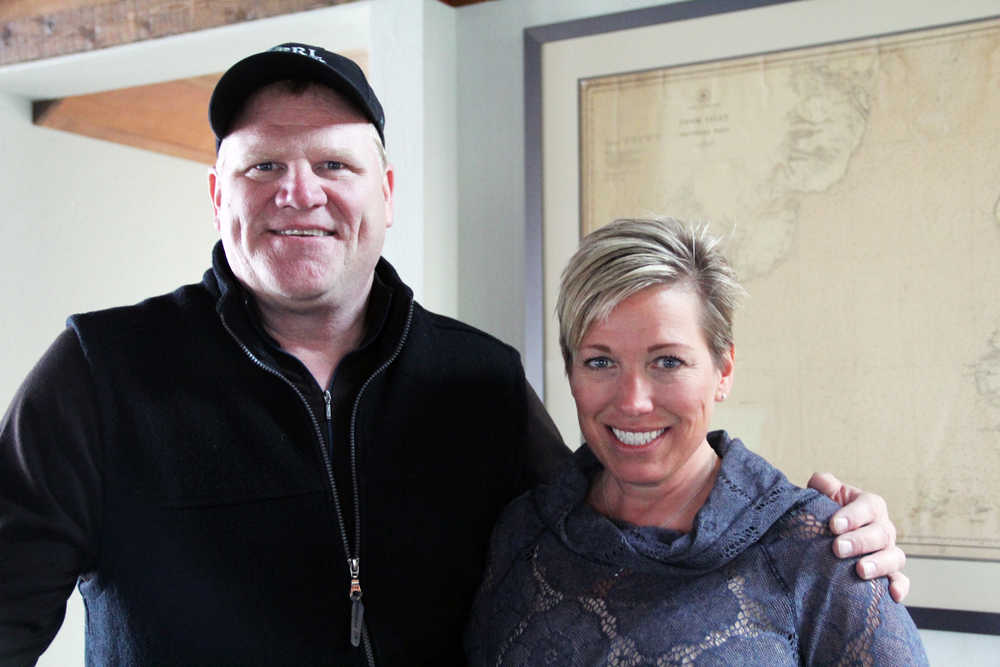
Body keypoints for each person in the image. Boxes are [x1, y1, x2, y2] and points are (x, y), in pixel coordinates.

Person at [0, 46, 904, 666]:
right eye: (263, 167)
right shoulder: (100, 372)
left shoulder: (475, 378)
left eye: (335, 165)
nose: (299, 194)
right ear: (217, 195)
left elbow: (605, 537)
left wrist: (830, 541)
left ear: (385, 192)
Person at [465, 218, 927, 665]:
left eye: (667, 362)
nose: (633, 401)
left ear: (723, 371)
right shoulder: (524, 532)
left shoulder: (819, 553)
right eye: (600, 363)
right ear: (571, 373)